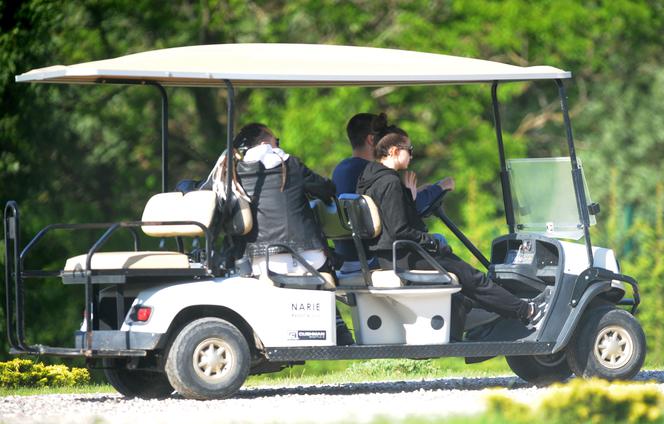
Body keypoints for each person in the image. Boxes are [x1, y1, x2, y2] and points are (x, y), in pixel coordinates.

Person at [356, 130, 545, 324]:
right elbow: (399, 230)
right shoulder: (390, 182)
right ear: (395, 151)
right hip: (405, 256)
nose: (412, 156)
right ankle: (527, 311)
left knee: (461, 272)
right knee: (472, 277)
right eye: (409, 150)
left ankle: (486, 313)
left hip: (388, 256)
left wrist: (410, 199)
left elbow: (390, 221)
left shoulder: (368, 180)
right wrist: (431, 242)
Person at [230, 123, 355, 344]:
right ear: (264, 143)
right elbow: (326, 189)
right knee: (328, 261)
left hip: (260, 261)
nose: (279, 145)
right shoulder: (289, 164)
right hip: (306, 258)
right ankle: (340, 332)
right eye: (276, 140)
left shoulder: (233, 171)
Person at [332, 113, 453, 273]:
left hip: (346, 256)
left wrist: (417, 192)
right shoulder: (374, 174)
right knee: (440, 241)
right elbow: (403, 214)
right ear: (371, 140)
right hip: (370, 256)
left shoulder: (341, 169)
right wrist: (440, 187)